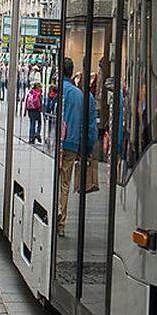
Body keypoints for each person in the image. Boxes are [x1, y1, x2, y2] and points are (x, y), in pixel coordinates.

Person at [56, 57, 97, 237]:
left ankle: (53, 211)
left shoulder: (55, 90)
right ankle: (61, 221)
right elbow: (89, 126)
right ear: (71, 72)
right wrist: (86, 148)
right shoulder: (81, 96)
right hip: (72, 145)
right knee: (65, 183)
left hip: (54, 144)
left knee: (54, 180)